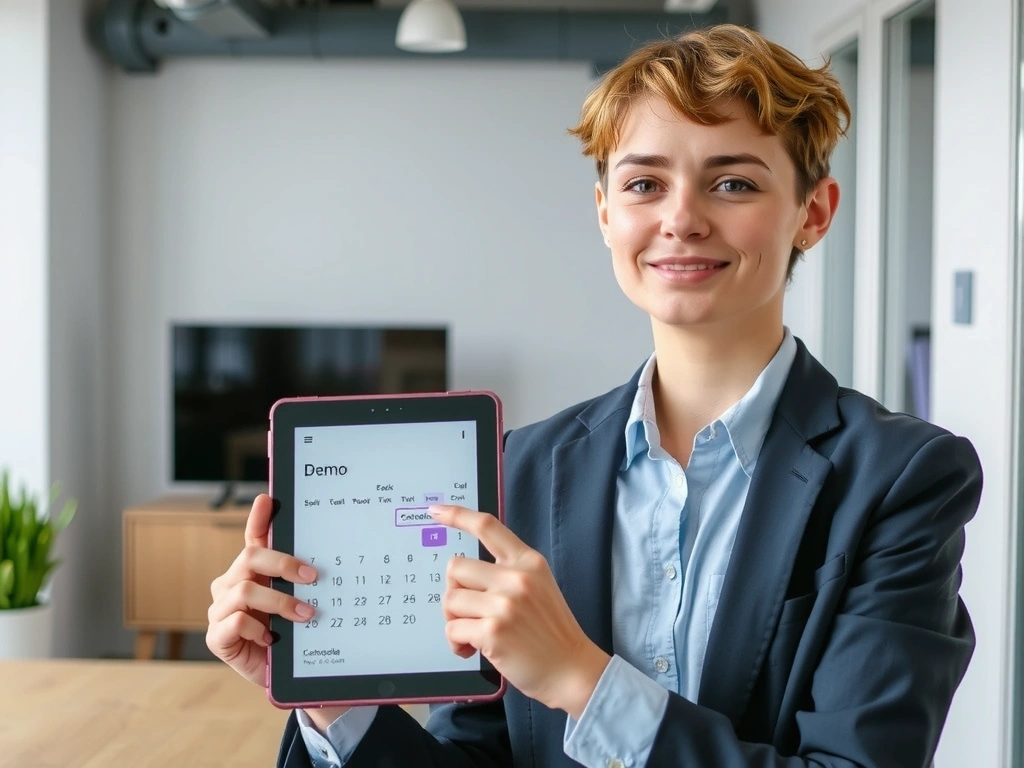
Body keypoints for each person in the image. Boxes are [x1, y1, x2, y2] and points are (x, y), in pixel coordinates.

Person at [206, 23, 981, 767]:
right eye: (645, 183)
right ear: (606, 212)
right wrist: (332, 703)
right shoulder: (522, 468)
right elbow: (474, 757)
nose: (681, 218)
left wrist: (582, 679)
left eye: (734, 182)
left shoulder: (902, 479)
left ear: (812, 214)